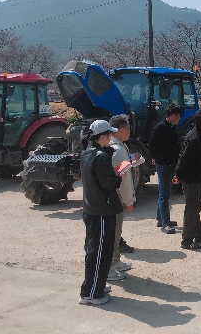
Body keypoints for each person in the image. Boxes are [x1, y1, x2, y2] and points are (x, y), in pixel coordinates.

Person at [78, 119, 124, 305]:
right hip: (102, 210)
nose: (111, 137)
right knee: (99, 252)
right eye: (110, 135)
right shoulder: (101, 157)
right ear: (104, 136)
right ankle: (91, 293)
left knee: (96, 250)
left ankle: (97, 285)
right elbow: (108, 183)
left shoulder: (87, 152)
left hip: (92, 208)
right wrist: (119, 177)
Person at [108, 115, 144, 279]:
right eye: (128, 128)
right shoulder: (119, 150)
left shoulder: (113, 145)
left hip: (110, 197)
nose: (130, 131)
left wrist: (131, 159)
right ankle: (110, 265)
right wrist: (129, 201)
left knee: (115, 231)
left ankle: (115, 260)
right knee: (114, 232)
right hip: (117, 198)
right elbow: (125, 180)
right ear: (121, 130)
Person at [175, 108, 201, 250]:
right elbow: (184, 157)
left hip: (194, 178)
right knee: (191, 209)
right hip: (191, 179)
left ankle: (198, 234)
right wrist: (178, 174)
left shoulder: (195, 134)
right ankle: (187, 240)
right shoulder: (195, 138)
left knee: (195, 206)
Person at [149, 103, 183, 234]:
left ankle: (161, 218)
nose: (179, 118)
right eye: (178, 116)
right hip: (163, 164)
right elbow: (152, 145)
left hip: (170, 163)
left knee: (165, 192)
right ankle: (165, 223)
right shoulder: (161, 127)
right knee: (164, 194)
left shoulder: (171, 128)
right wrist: (154, 157)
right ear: (173, 115)